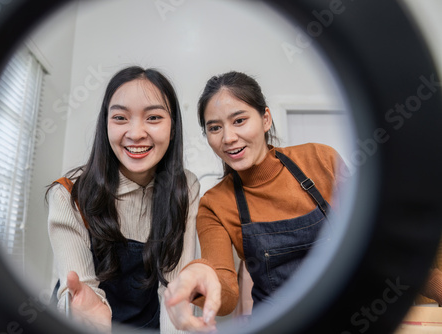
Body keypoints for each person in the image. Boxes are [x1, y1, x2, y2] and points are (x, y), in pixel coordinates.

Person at [164, 71, 345, 332]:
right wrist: (200, 278)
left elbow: (379, 240)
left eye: (239, 120)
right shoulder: (215, 204)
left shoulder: (321, 160)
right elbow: (226, 293)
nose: (228, 138)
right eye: (215, 127)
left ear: (265, 119)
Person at [46, 66, 200, 332]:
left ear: (173, 128)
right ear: (105, 124)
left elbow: (174, 292)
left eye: (153, 118)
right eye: (120, 117)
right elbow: (80, 295)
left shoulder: (185, 187)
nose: (136, 133)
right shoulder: (69, 194)